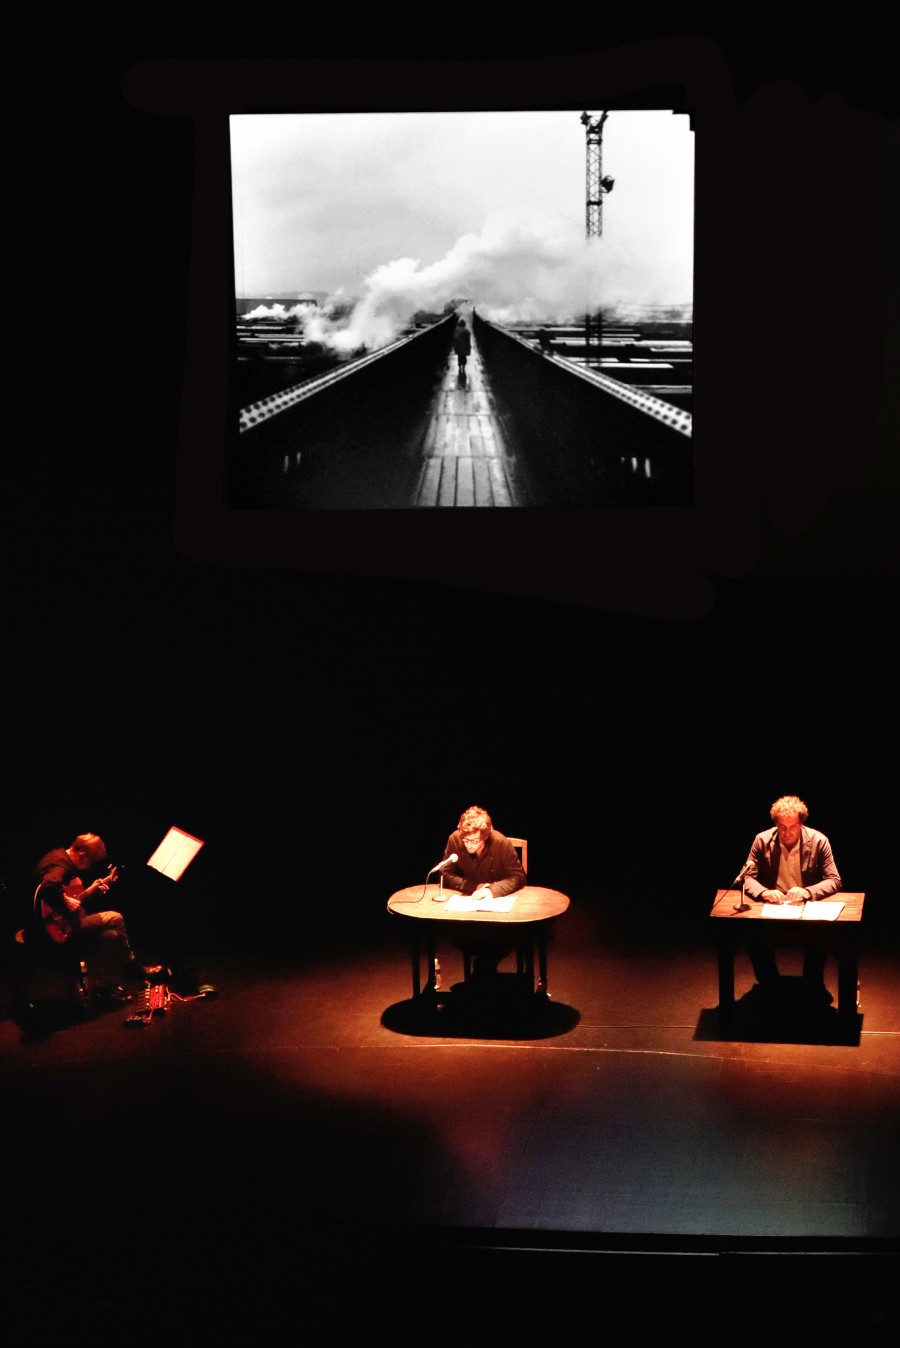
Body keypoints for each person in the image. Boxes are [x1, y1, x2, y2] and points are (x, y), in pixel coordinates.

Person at [738, 795, 842, 1001]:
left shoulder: (819, 841)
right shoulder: (762, 840)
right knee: (752, 934)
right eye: (782, 827)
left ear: (801, 823)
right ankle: (770, 985)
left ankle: (812, 986)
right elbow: (747, 876)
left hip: (806, 909)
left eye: (793, 827)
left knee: (820, 935)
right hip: (774, 906)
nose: (787, 832)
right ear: (776, 825)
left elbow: (834, 879)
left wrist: (807, 892)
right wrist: (764, 892)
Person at [32, 831, 152, 1001]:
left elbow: (73, 898)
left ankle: (101, 988)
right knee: (115, 917)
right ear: (82, 855)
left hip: (59, 926)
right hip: (55, 933)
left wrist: (92, 890)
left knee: (111, 936)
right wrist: (64, 901)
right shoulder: (61, 865)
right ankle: (131, 968)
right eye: (91, 862)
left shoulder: (58, 856)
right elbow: (48, 886)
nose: (89, 867)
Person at [439, 805, 526, 979]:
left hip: (499, 918)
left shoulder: (500, 842)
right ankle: (484, 973)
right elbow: (446, 873)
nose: (469, 845)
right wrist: (475, 886)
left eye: (474, 841)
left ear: (485, 836)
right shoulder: (455, 839)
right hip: (468, 914)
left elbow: (518, 876)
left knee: (500, 940)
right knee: (458, 935)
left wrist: (493, 889)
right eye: (466, 840)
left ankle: (484, 970)